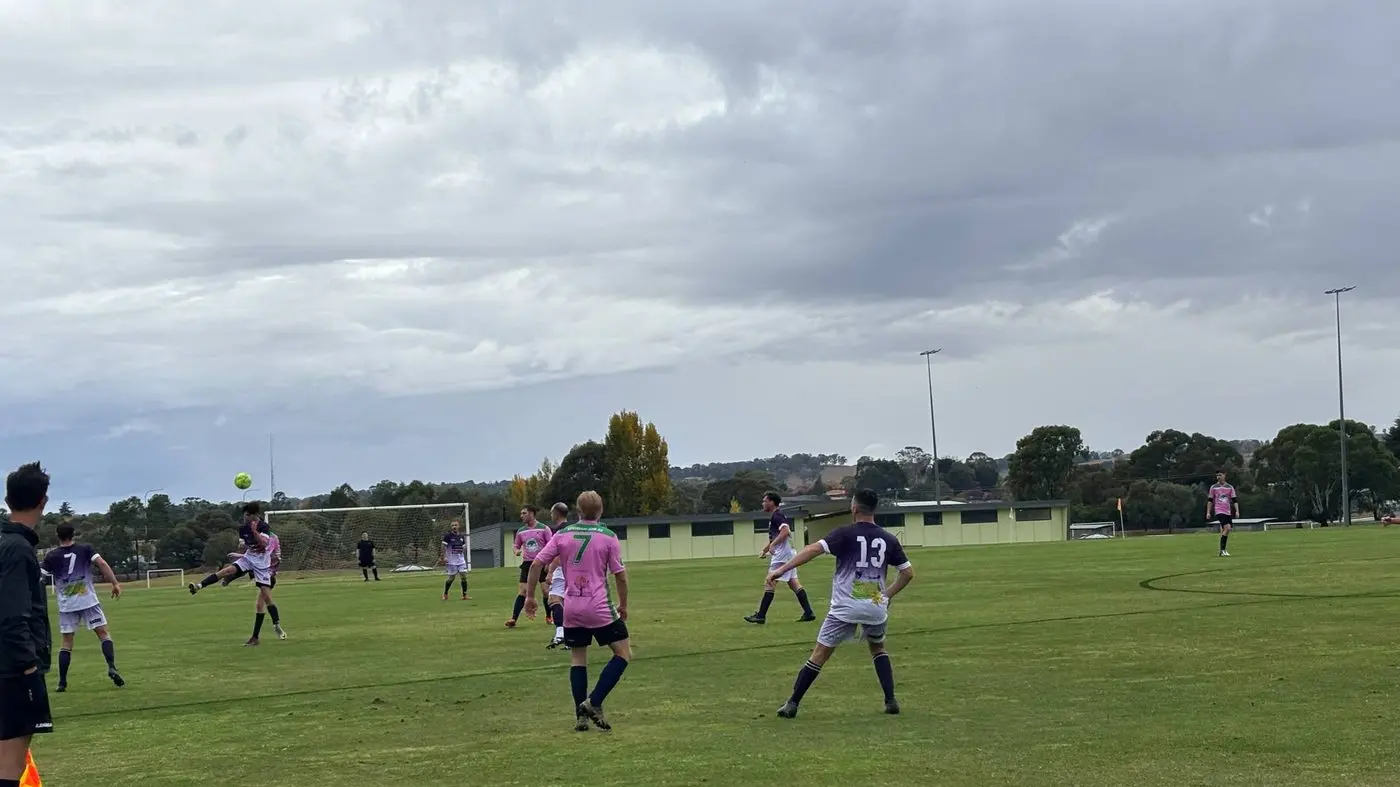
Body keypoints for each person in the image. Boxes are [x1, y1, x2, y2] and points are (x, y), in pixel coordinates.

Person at [767, 488, 915, 719]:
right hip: (874, 604)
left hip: (845, 606)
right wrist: (885, 596)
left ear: (854, 508)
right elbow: (907, 574)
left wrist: (782, 569)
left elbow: (813, 549)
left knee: (819, 654)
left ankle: (792, 704)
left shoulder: (845, 533)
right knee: (878, 648)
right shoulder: (889, 538)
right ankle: (890, 700)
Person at [525, 491, 630, 731]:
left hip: (572, 606)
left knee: (578, 658)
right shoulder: (609, 537)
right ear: (601, 511)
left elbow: (536, 564)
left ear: (578, 512)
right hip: (600, 606)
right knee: (623, 653)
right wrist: (623, 605)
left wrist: (530, 596)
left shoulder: (562, 534)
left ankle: (580, 717)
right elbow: (620, 576)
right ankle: (594, 701)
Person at [0, 462, 55, 787]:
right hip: (13, 670)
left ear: (8, 499)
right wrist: (29, 669)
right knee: (11, 763)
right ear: (43, 502)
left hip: (6, 666)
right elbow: (12, 616)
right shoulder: (18, 549)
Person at [41, 524, 124, 692]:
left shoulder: (51, 556)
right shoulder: (85, 549)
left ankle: (62, 682)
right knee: (103, 634)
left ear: (58, 536)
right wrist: (114, 583)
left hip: (67, 604)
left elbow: (39, 577)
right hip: (87, 601)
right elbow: (101, 562)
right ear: (73, 535)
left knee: (66, 643)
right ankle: (112, 667)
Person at [189, 503, 285, 645]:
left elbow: (264, 545)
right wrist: (238, 553)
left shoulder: (264, 527)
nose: (244, 517)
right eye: (244, 515)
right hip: (248, 559)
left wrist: (255, 532)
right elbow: (248, 546)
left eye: (247, 515)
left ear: (254, 515)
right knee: (226, 571)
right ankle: (198, 586)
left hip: (262, 566)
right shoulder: (243, 529)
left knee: (264, 600)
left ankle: (276, 625)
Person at [745, 492, 816, 625]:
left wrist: (773, 545)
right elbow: (776, 537)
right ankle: (808, 612)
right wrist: (765, 550)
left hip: (782, 555)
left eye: (765, 501)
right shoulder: (775, 516)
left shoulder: (777, 515)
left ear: (772, 502)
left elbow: (785, 532)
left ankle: (761, 616)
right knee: (793, 583)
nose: (763, 503)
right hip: (788, 553)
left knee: (769, 581)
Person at [507, 506, 552, 628]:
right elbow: (516, 545)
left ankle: (549, 616)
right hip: (527, 564)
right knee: (523, 591)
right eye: (521, 513)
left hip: (542, 562)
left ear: (532, 513)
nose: (521, 515)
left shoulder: (544, 529)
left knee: (545, 591)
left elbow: (551, 546)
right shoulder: (521, 531)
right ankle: (513, 619)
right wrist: (516, 551)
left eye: (524, 513)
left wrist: (549, 564)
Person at [542, 503, 569, 649]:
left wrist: (551, 570)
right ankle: (571, 637)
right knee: (567, 602)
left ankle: (561, 634)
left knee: (554, 599)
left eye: (552, 513)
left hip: (562, 568)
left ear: (556, 514)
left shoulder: (560, 531)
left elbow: (559, 553)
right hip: (575, 569)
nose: (550, 516)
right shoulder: (573, 528)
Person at [1206, 471, 1238, 557]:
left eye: (1220, 475)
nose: (1218, 477)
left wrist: (1237, 511)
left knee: (1227, 530)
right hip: (1219, 510)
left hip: (1227, 511)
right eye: (1217, 475)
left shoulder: (1230, 487)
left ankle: (1222, 550)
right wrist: (1208, 512)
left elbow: (1234, 500)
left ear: (1224, 475)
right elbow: (1210, 500)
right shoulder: (1213, 487)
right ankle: (1222, 550)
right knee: (1227, 528)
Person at [440, 521, 469, 601]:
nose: (454, 526)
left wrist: (462, 549)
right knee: (451, 578)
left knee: (463, 576)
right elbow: (443, 546)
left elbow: (463, 546)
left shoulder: (461, 536)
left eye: (455, 525)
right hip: (452, 561)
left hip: (461, 560)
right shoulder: (448, 536)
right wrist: (444, 557)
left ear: (458, 526)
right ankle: (445, 593)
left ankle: (465, 595)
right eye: (452, 525)